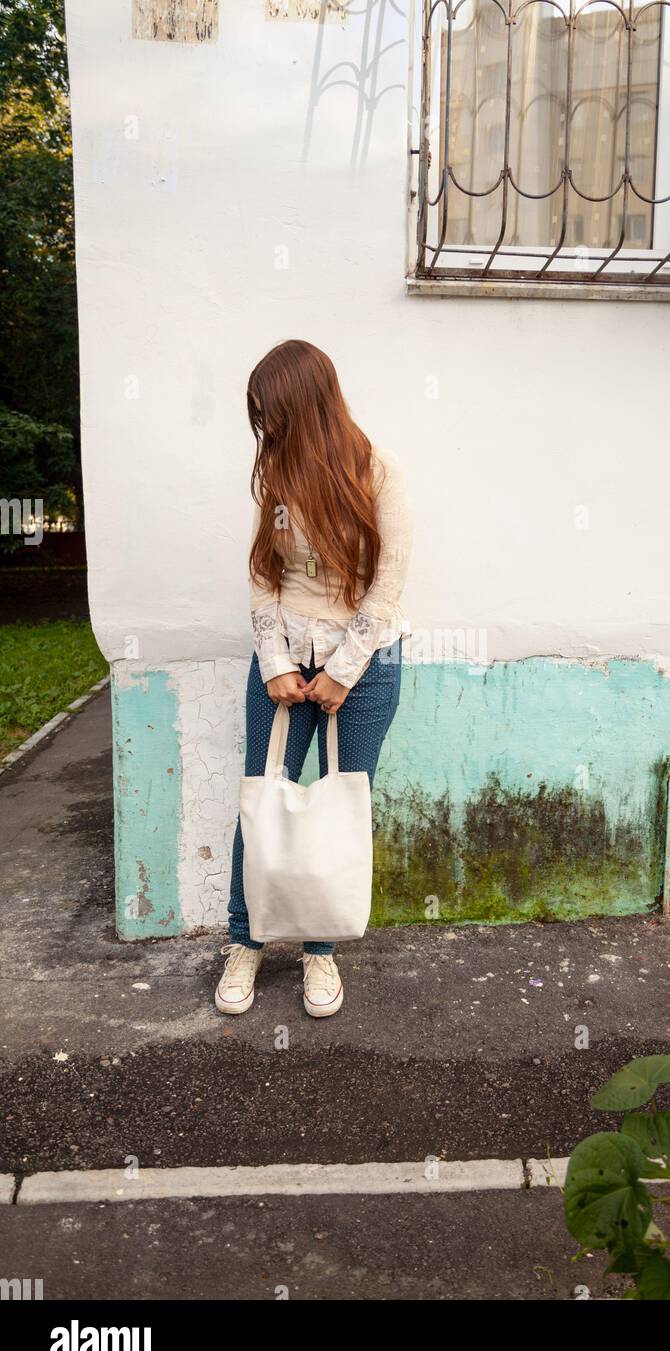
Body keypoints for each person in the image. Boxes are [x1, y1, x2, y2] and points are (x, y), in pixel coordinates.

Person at [216, 340, 411, 1018]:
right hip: (283, 664)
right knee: (262, 799)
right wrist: (275, 664)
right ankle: (246, 940)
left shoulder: (376, 473)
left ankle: (320, 953)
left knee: (337, 810)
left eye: (272, 413)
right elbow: (263, 574)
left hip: (365, 668)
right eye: (259, 416)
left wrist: (341, 672)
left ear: (306, 403)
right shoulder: (276, 479)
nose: (265, 427)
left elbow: (387, 585)